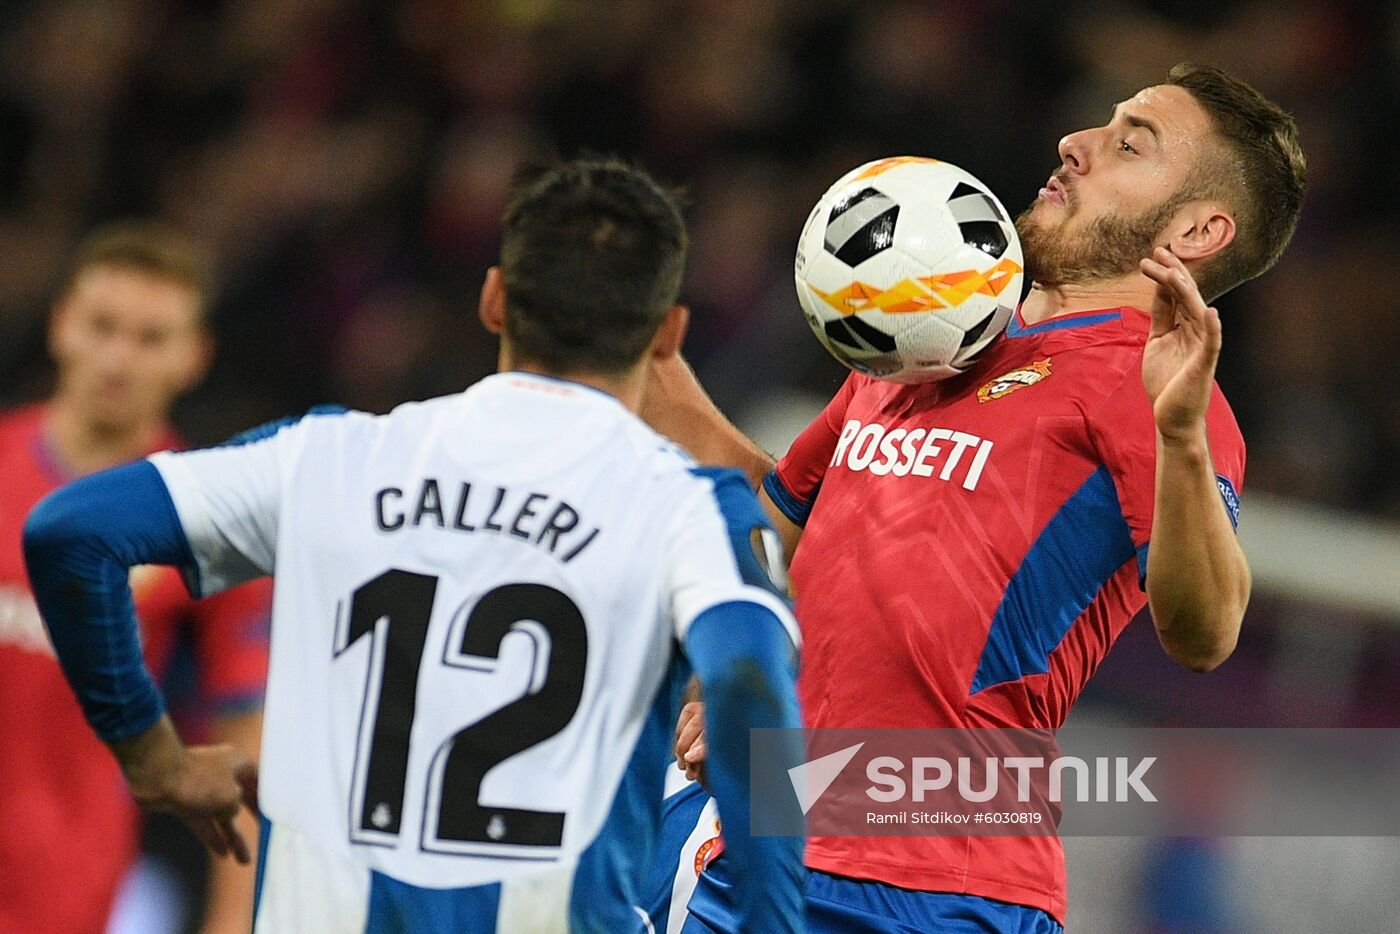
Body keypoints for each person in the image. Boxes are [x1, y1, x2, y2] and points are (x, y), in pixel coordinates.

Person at [23, 159, 806, 933]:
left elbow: (69, 531)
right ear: (669, 332)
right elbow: (747, 676)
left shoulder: (327, 457)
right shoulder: (688, 509)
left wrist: (151, 757)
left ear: (494, 299)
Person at [642, 63, 1306, 932]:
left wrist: (1180, 440)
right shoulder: (929, 334)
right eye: (1100, 126)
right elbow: (786, 521)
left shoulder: (1159, 388)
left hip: (960, 880)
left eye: (1128, 143)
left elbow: (1207, 630)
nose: (1076, 144)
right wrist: (657, 373)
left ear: (1196, 229)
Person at [0, 224, 271, 934]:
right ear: (61, 326)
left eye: (151, 337)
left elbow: (246, 753)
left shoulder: (211, 522)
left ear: (195, 356)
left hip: (67, 891)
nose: (119, 357)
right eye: (102, 326)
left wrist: (234, 922)